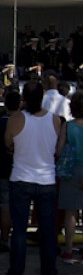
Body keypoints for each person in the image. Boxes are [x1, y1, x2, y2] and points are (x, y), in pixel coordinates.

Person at [4, 82, 61, 275]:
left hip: (21, 177)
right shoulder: (55, 120)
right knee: (48, 229)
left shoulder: (16, 119)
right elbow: (57, 150)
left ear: (24, 98)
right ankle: (49, 271)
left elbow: (8, 143)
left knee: (19, 228)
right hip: (46, 178)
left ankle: (16, 271)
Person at [0, 91, 20, 253]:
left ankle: (4, 239)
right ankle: (18, 239)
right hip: (20, 169)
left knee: (5, 206)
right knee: (20, 206)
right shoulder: (24, 123)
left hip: (2, 168)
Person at [57, 92, 83, 263]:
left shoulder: (67, 126)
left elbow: (58, 150)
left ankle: (68, 249)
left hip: (71, 169)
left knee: (70, 212)